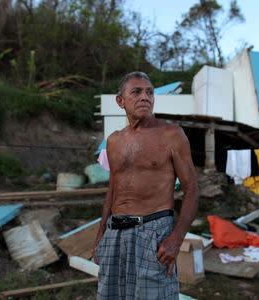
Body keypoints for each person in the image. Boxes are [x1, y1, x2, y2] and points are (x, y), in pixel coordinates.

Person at [91, 71, 199, 299]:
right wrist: (101, 234)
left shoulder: (171, 135)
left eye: (149, 92)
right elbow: (113, 189)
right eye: (137, 92)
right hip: (115, 232)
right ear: (120, 101)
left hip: (153, 232)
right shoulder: (113, 141)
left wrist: (176, 240)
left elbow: (192, 189)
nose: (145, 97)